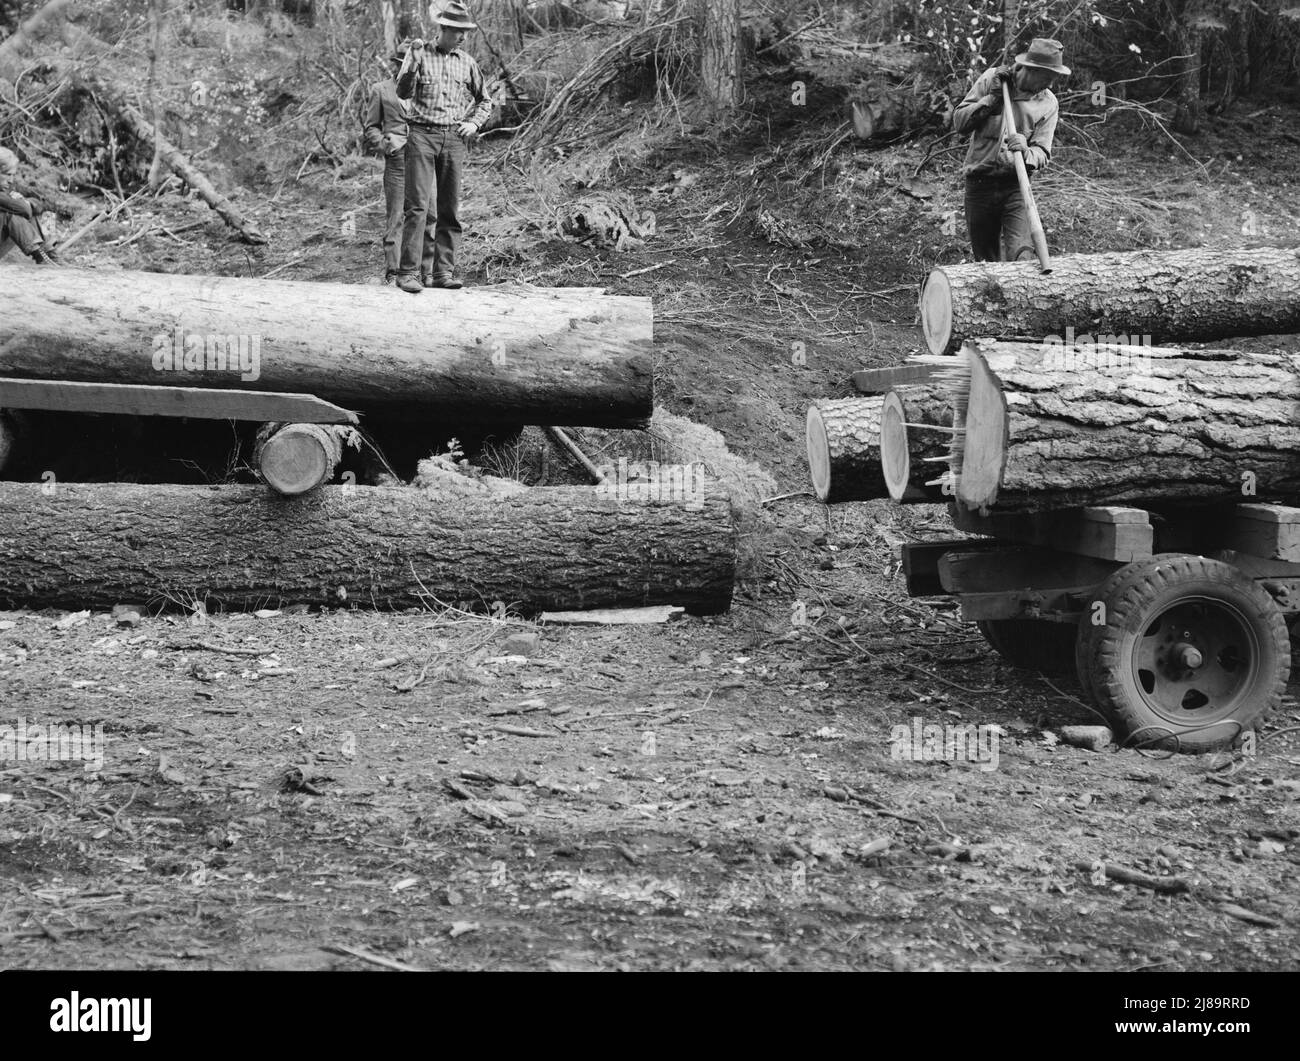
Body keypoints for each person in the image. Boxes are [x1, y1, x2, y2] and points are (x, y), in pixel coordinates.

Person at [394, 1, 494, 293]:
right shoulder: (420, 53)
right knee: (418, 207)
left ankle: (442, 273)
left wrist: (474, 124)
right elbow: (402, 92)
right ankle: (409, 273)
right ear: (443, 29)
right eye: (457, 31)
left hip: (453, 139)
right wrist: (410, 63)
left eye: (465, 32)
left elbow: (484, 99)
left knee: (450, 209)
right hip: (421, 136)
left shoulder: (467, 61)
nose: (462, 37)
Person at [952, 38, 1069, 262]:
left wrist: (1026, 151)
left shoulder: (1048, 103)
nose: (1050, 84)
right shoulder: (992, 79)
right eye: (1047, 77)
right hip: (980, 182)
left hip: (1016, 186)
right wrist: (992, 99)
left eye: (1054, 78)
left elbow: (1043, 152)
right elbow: (960, 123)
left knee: (1023, 254)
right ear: (1031, 69)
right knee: (987, 259)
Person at [363, 43, 430, 285]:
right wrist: (385, 145)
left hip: (424, 159)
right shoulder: (380, 90)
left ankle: (422, 272)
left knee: (425, 214)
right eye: (403, 64)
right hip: (397, 161)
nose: (407, 69)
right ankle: (393, 272)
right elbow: (370, 127)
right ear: (396, 65)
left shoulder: (425, 90)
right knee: (396, 216)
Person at [0, 147, 60, 265]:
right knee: (12, 215)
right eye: (7, 175)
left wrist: (25, 202)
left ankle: (51, 256)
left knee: (18, 210)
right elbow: (25, 209)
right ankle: (42, 257)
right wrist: (25, 204)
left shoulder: (3, 188)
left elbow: (37, 206)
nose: (11, 180)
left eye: (12, 175)